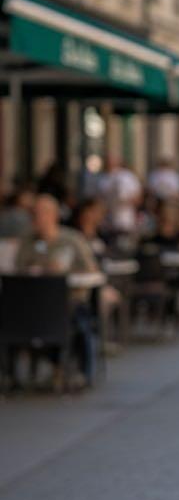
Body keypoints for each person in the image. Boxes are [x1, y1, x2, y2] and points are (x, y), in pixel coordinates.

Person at [15, 194, 100, 386]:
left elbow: (92, 271)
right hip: (31, 305)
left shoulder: (72, 239)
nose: (37, 219)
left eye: (42, 214)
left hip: (67, 302)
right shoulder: (28, 241)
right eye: (34, 214)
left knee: (79, 317)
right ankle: (12, 374)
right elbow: (19, 267)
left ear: (54, 215)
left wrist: (65, 272)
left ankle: (81, 371)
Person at [98, 155, 142, 240]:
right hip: (106, 222)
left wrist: (124, 202)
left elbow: (138, 197)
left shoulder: (126, 176)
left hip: (125, 221)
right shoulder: (101, 178)